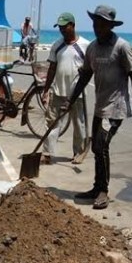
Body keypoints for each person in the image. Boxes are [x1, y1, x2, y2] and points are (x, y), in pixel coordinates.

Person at [67, 5, 132, 210]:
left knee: (101, 146)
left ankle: (103, 191)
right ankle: (97, 187)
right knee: (96, 147)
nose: (97, 27)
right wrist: (71, 99)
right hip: (100, 107)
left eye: (101, 24)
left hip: (116, 109)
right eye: (95, 23)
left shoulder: (122, 47)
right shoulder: (92, 48)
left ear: (109, 26)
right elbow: (85, 75)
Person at [40, 12, 90, 165]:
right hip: (58, 91)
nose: (62, 30)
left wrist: (85, 70)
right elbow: (52, 68)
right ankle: (47, 153)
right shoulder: (57, 45)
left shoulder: (85, 45)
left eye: (65, 27)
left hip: (77, 93)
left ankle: (79, 152)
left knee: (79, 124)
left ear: (73, 26)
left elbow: (90, 70)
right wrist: (46, 89)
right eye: (60, 27)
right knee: (52, 123)